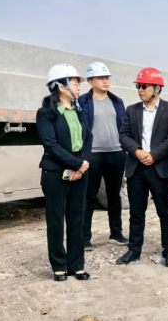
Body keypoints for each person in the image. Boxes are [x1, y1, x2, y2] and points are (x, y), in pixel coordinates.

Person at [116, 68, 168, 267]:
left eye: (144, 86)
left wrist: (154, 155)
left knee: (165, 212)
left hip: (159, 168)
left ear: (157, 88)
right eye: (138, 86)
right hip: (136, 168)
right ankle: (134, 250)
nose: (140, 90)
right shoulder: (132, 110)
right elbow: (123, 135)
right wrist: (136, 151)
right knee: (136, 213)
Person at [36, 64, 92, 281]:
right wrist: (76, 164)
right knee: (56, 220)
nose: (79, 87)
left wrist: (82, 163)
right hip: (55, 172)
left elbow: (88, 138)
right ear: (61, 86)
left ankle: (76, 265)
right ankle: (59, 265)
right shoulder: (46, 113)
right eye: (75, 83)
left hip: (79, 171)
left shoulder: (78, 110)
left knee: (77, 219)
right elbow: (51, 144)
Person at [78, 62, 128, 251]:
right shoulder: (82, 102)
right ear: (90, 81)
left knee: (114, 196)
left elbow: (124, 126)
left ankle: (116, 234)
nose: (106, 81)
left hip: (116, 154)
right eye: (101, 78)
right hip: (93, 155)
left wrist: (125, 148)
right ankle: (84, 238)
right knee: (88, 196)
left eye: (107, 78)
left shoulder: (117, 101)